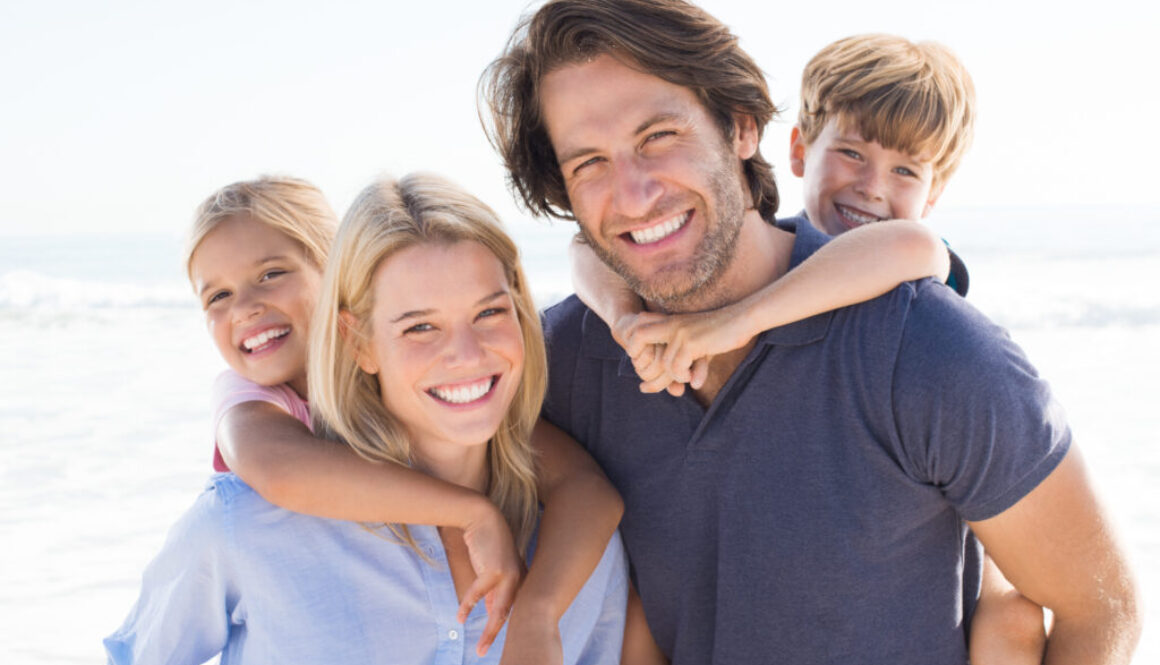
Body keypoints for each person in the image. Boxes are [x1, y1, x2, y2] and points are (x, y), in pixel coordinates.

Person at [480, 1, 1141, 663]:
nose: (633, 193)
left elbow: (1099, 608)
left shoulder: (925, 349)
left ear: (741, 128)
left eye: (658, 136)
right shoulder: (564, 359)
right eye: (589, 162)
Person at [568, 33, 1048, 664]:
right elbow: (583, 251)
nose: (873, 188)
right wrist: (625, 317)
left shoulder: (911, 262)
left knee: (1013, 617)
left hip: (954, 537)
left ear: (933, 192)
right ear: (797, 151)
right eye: (850, 153)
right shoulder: (768, 244)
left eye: (906, 170)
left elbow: (910, 248)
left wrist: (731, 324)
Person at [104, 173, 636, 664]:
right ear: (356, 339)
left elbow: (582, 484)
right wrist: (474, 514)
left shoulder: (577, 550)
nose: (466, 354)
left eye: (489, 312)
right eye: (419, 327)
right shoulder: (243, 510)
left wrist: (537, 610)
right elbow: (278, 471)